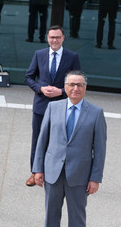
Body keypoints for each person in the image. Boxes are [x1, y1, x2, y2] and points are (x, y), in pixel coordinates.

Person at [32, 71, 107, 227]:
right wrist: (38, 169)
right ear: (65, 87)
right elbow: (42, 140)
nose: (76, 88)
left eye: (80, 85)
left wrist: (95, 178)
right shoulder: (53, 108)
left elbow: (100, 150)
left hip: (80, 176)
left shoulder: (96, 113)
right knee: (51, 216)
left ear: (85, 88)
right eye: (72, 84)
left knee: (77, 219)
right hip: (53, 173)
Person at [25, 25, 81, 187]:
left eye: (57, 37)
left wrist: (62, 91)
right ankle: (35, 173)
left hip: (62, 106)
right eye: (52, 37)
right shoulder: (39, 54)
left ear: (63, 38)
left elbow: (79, 81)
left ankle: (56, 173)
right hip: (41, 105)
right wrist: (40, 88)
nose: (54, 40)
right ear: (47, 38)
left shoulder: (72, 57)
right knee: (38, 140)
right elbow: (28, 77)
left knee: (60, 141)